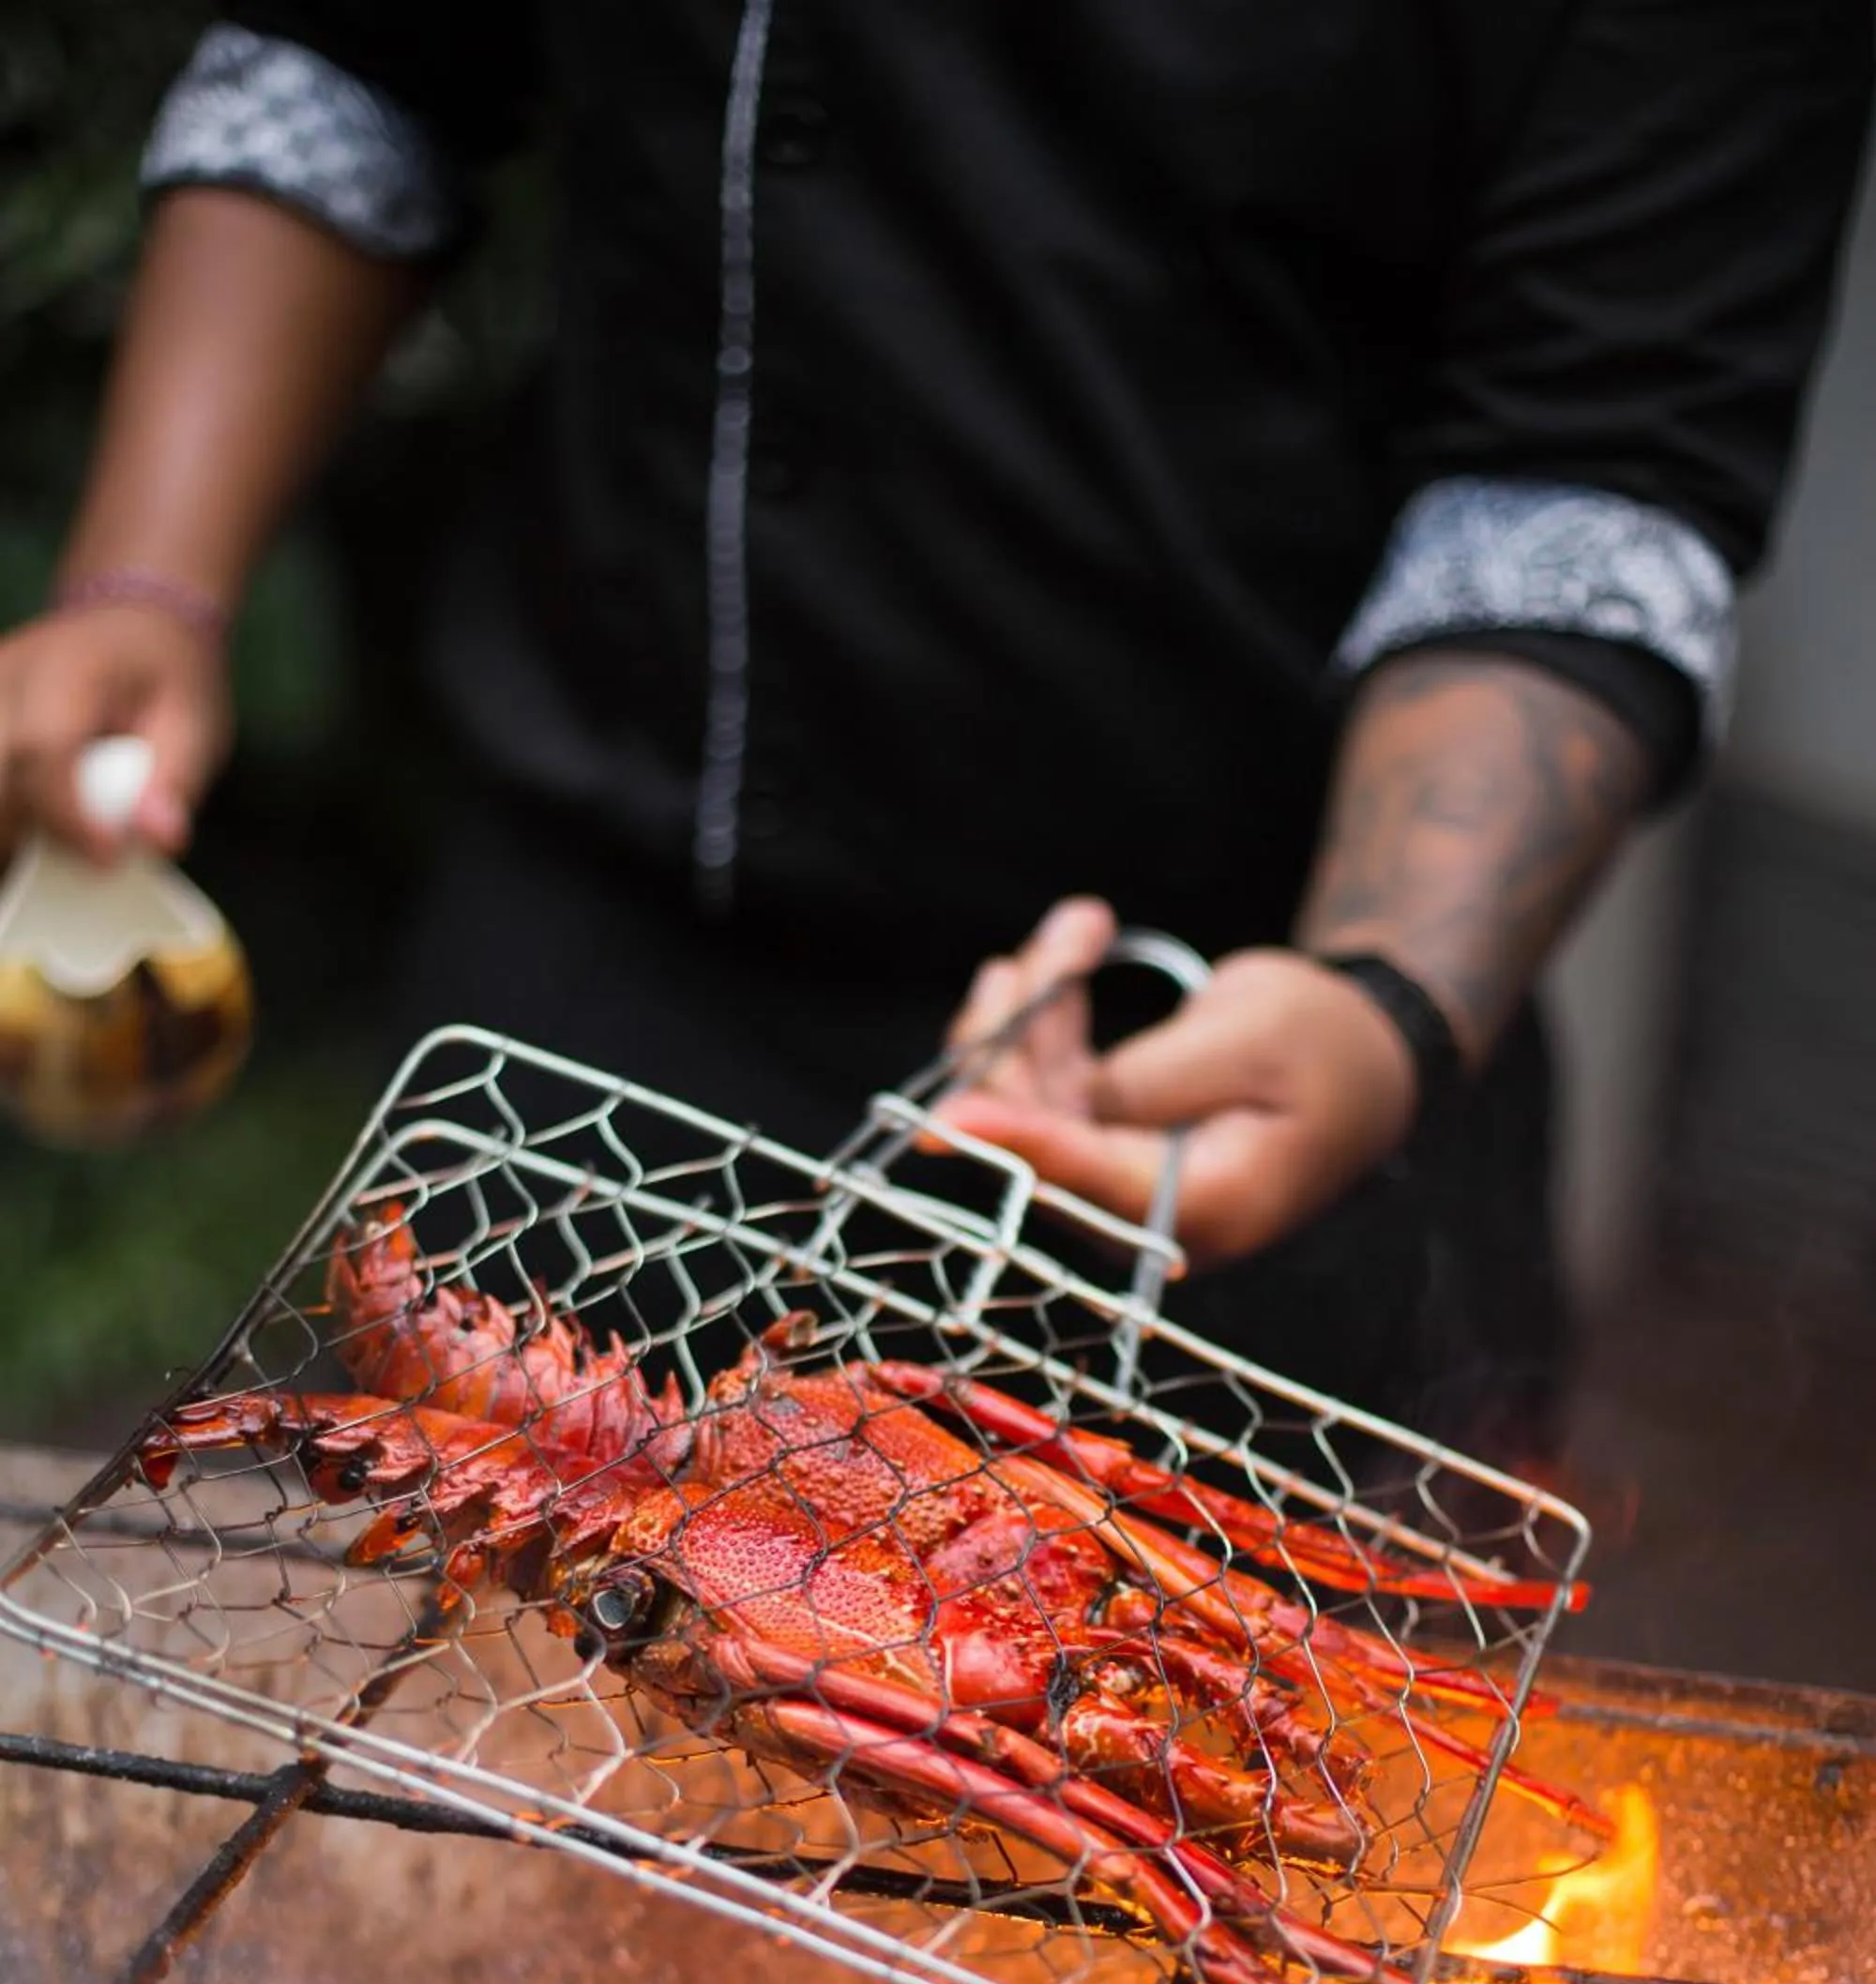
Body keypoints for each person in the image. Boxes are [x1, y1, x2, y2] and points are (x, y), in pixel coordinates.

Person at [0, 6, 1868, 1461]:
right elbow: (358, 55)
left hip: (1218, 1076)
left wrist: (1381, 989)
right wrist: (146, 588)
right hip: (584, 1014)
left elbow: (1586, 467)